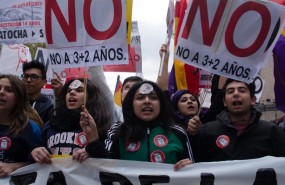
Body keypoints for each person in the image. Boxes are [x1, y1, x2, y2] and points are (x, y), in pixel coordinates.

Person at [81, 81, 194, 170]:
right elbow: (105, 167)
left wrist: (190, 167)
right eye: (140, 98)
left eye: (153, 97)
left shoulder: (178, 133)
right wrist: (93, 141)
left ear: (161, 104)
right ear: (131, 104)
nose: (147, 101)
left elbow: (195, 173)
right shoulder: (118, 132)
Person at [194, 78, 285, 162]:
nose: (236, 94)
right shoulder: (207, 132)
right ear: (225, 102)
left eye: (242, 90)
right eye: (230, 91)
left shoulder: (272, 131)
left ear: (253, 100)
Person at [31, 78, 110, 164]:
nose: (71, 93)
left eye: (79, 90)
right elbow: (33, 160)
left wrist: (93, 148)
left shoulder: (99, 124)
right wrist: (35, 152)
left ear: (90, 97)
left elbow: (108, 164)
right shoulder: (51, 124)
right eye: (68, 91)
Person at [0, 74, 41, 177]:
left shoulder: (31, 128)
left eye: (9, 90)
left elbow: (41, 163)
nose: (1, 92)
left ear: (18, 98)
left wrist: (13, 166)